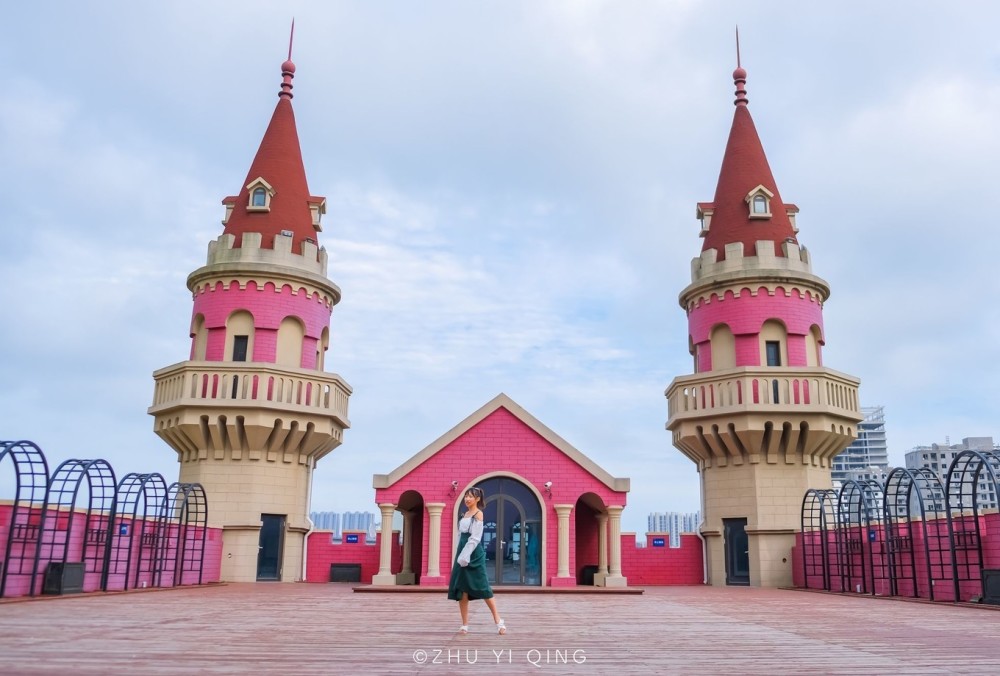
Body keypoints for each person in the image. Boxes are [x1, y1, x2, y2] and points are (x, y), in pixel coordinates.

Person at [447, 486, 506, 635]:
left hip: (473, 554)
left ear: (477, 499)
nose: (467, 499)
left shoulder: (478, 514)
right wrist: (459, 555)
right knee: (462, 590)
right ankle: (464, 625)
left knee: (483, 587)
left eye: (471, 496)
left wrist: (464, 556)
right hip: (462, 552)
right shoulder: (464, 514)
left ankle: (499, 621)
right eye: (466, 496)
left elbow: (475, 538)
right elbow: (461, 536)